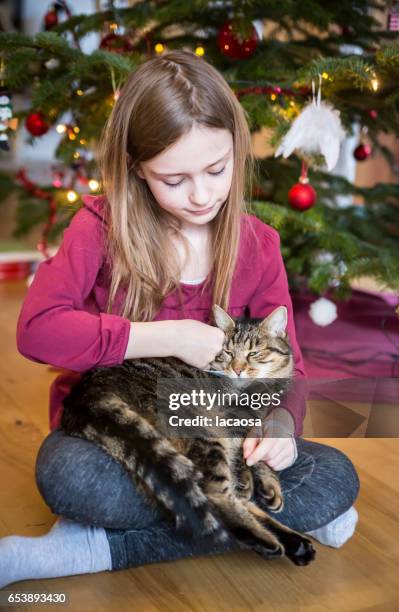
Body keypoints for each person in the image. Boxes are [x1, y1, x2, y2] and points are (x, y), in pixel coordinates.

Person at [0, 50, 359, 588]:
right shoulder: (98, 227)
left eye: (217, 169)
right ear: (136, 169)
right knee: (70, 476)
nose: (201, 195)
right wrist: (172, 336)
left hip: (221, 442)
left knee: (336, 476)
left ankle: (93, 546)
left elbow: (292, 373)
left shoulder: (258, 245)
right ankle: (261, 521)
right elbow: (37, 331)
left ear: (236, 149)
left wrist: (279, 430)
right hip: (124, 442)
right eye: (173, 179)